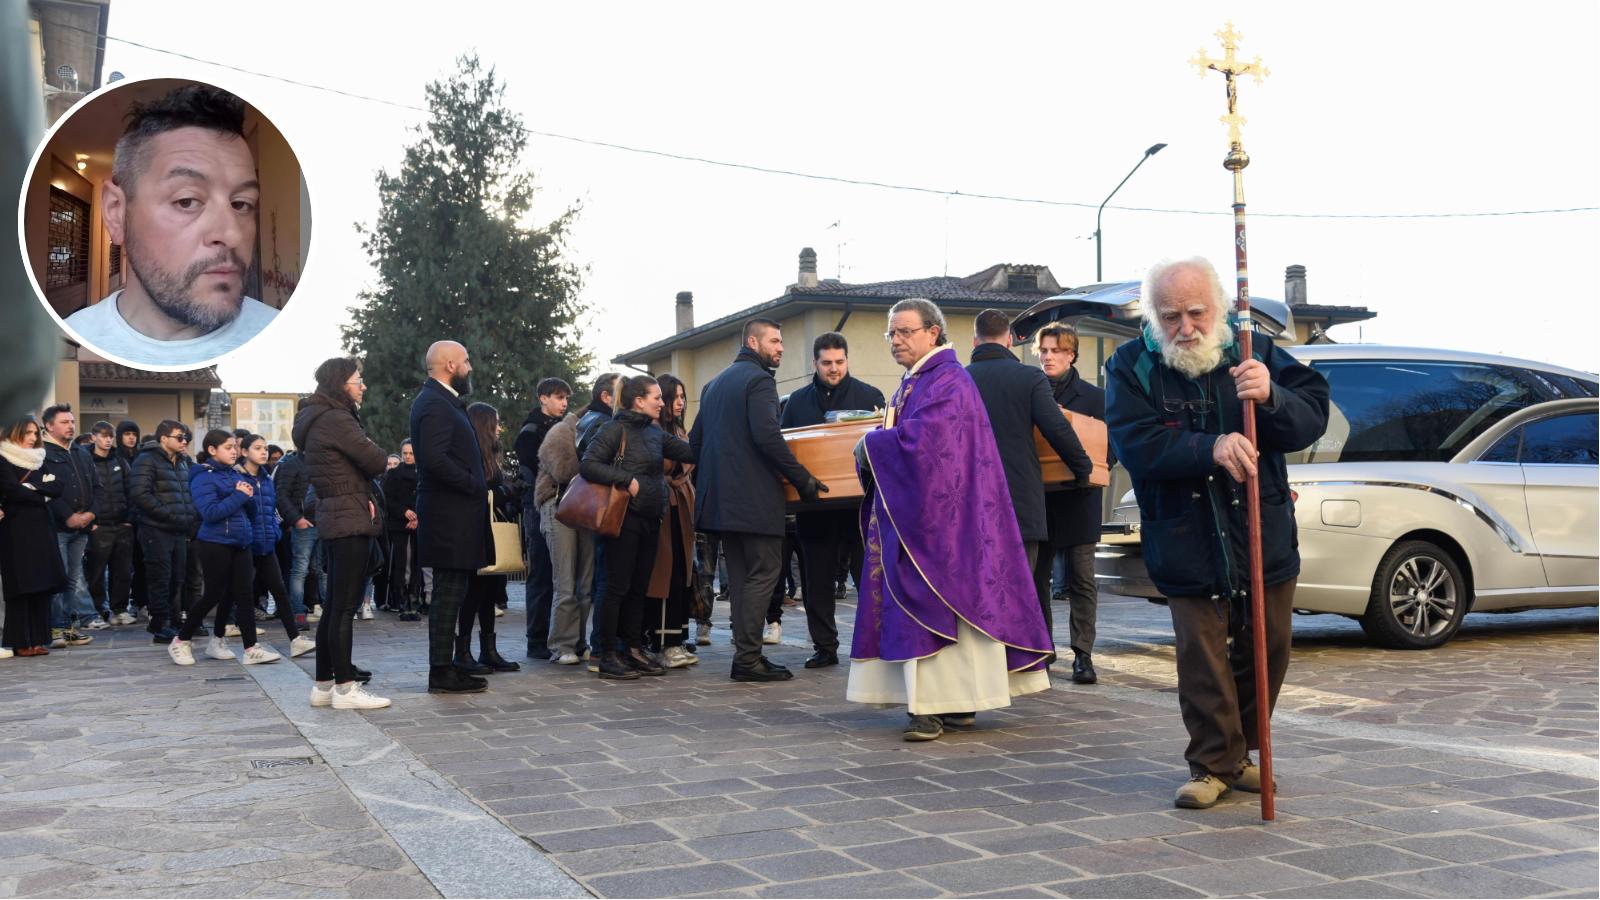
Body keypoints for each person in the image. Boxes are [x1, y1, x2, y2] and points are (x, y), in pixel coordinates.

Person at [1105, 258, 1330, 809]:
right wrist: (1210, 447)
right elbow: (1136, 444)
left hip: (1260, 528)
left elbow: (1312, 418)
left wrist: (1272, 395)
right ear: (1154, 317)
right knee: (1202, 656)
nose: (1185, 327)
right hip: (1185, 535)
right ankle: (1211, 762)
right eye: (1171, 315)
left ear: (1220, 307)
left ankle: (1241, 754)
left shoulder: (1257, 351)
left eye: (1196, 313)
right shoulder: (1131, 366)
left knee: (1267, 647)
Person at [847, 298, 1054, 742]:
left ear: (933, 332)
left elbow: (929, 445)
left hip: (945, 524)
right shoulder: (920, 380)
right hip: (922, 515)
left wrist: (872, 445)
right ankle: (955, 703)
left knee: (937, 603)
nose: (896, 341)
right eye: (891, 333)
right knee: (937, 605)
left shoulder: (949, 381)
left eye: (904, 332)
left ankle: (938, 706)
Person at [62, 85, 276, 367]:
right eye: (187, 201)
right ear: (116, 212)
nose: (232, 234)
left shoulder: (276, 333)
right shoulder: (70, 337)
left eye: (241, 204)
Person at [690, 318, 827, 682]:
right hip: (752, 499)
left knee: (739, 577)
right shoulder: (760, 380)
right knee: (764, 574)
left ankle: (745, 655)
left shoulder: (713, 384)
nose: (780, 347)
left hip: (719, 501)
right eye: (775, 341)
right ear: (753, 342)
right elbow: (768, 437)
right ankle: (748, 659)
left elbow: (695, 442)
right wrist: (804, 480)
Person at [966, 309, 1093, 667]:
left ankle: (984, 661)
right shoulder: (1027, 378)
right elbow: (1057, 429)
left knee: (982, 585)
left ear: (975, 341)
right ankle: (1023, 658)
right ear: (1010, 339)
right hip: (1020, 502)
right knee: (1022, 583)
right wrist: (1083, 468)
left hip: (972, 502)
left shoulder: (958, 380)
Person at [778, 331, 885, 668]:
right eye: (827, 363)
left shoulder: (871, 396)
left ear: (847, 360)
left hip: (859, 507)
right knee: (817, 583)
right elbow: (787, 450)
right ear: (815, 363)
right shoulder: (795, 402)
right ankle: (825, 647)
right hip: (814, 507)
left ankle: (879, 642)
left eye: (839, 362)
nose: (834, 368)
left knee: (869, 577)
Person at [581, 375, 696, 680]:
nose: (663, 402)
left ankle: (632, 649)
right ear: (638, 401)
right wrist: (626, 480)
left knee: (637, 588)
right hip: (622, 519)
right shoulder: (613, 428)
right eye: (656, 397)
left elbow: (690, 451)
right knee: (614, 587)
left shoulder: (654, 433)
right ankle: (606, 654)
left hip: (650, 518)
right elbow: (588, 464)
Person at [293, 358, 391, 710]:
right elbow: (377, 460)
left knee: (334, 605)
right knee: (344, 608)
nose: (362, 386)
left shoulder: (316, 418)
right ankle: (346, 690)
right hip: (349, 517)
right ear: (340, 384)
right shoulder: (336, 418)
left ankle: (323, 686)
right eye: (357, 380)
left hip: (336, 516)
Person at [409, 340, 491, 695]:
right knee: (447, 593)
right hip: (448, 514)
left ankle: (449, 666)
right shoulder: (433, 403)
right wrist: (473, 484)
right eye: (467, 360)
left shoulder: (443, 400)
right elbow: (434, 459)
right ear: (449, 364)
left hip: (456, 512)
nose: (470, 367)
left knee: (455, 590)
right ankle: (440, 671)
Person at [1035, 322, 1112, 685]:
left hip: (1081, 498)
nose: (1048, 357)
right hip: (1041, 499)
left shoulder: (1096, 398)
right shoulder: (1030, 390)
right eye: (1044, 351)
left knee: (1082, 580)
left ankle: (1083, 655)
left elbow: (1112, 446)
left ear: (1071, 354)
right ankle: (1042, 650)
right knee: (1038, 579)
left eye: (1056, 351)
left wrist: (1097, 468)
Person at [169, 430, 282, 666]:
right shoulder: (202, 476)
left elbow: (246, 510)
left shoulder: (233, 474)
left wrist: (248, 499)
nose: (233, 451)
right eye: (228, 447)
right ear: (212, 450)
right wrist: (240, 496)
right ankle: (181, 640)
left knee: (243, 595)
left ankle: (250, 648)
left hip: (241, 542)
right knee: (213, 595)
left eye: (234, 447)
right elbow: (210, 513)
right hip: (214, 543)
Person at [456, 402, 521, 675]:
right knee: (473, 592)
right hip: (475, 529)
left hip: (491, 527)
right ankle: (463, 652)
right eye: (496, 422)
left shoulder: (493, 453)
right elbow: (485, 489)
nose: (500, 427)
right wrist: (506, 490)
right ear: (485, 425)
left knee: (490, 590)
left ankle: (488, 650)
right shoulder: (471, 455)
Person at [239, 434, 314, 657]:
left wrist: (273, 531)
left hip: (266, 542)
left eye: (264, 448)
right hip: (244, 544)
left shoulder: (266, 479)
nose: (263, 452)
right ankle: (241, 644)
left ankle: (295, 639)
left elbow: (273, 508)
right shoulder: (236, 477)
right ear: (244, 452)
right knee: (234, 595)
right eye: (257, 448)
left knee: (279, 590)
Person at [644, 374, 699, 669]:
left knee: (681, 572)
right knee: (664, 574)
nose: (679, 402)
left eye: (682, 396)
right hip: (663, 506)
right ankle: (663, 643)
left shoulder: (679, 429)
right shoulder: (653, 430)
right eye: (673, 397)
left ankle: (676, 640)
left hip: (682, 506)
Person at [512, 377, 570, 661]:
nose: (564, 403)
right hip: (538, 505)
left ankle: (557, 636)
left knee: (560, 574)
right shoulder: (531, 430)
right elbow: (529, 471)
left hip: (560, 504)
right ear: (543, 398)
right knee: (542, 573)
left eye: (566, 398)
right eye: (558, 397)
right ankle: (537, 639)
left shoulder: (561, 427)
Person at [1, 415, 67, 657]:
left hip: (42, 527)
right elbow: (12, 490)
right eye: (27, 433)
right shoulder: (4, 458)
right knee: (22, 586)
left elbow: (58, 486)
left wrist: (33, 489)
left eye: (34, 433)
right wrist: (41, 490)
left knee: (43, 584)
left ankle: (39, 639)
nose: (32, 438)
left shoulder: (39, 459)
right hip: (16, 529)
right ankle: (20, 641)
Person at [129, 419, 198, 643]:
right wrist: (169, 515)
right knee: (160, 577)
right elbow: (140, 494)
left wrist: (188, 517)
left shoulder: (182, 461)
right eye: (179, 437)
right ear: (163, 438)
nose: (184, 441)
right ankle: (160, 624)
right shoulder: (146, 459)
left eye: (185, 437)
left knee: (177, 578)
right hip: (156, 528)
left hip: (178, 529)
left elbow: (186, 493)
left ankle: (173, 619)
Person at [41, 404, 104, 645]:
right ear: (49, 426)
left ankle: (68, 626)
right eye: (64, 422)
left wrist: (91, 514)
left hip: (82, 527)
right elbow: (46, 491)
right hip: (58, 527)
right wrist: (68, 515)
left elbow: (98, 488)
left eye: (72, 421)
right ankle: (56, 628)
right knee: (58, 576)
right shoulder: (42, 453)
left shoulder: (81, 452)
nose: (71, 426)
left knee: (73, 578)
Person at [534, 410, 591, 666]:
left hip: (589, 510)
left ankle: (580, 642)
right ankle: (561, 645)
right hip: (559, 507)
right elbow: (564, 471)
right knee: (565, 582)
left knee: (586, 584)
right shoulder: (562, 431)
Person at [577, 374, 619, 667]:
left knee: (603, 577)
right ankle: (603, 647)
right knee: (608, 579)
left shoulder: (587, 419)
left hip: (601, 508)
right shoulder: (603, 423)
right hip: (609, 506)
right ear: (606, 396)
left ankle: (601, 646)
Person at [82, 419, 136, 626]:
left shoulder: (120, 460)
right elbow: (85, 492)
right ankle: (99, 610)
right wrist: (91, 523)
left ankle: (120, 609)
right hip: (99, 526)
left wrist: (129, 520)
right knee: (96, 572)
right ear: (94, 436)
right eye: (103, 436)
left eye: (110, 436)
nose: (107, 440)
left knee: (122, 571)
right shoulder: (86, 460)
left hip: (122, 525)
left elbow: (131, 490)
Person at [273, 445, 318, 625]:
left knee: (320, 570)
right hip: (303, 524)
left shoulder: (322, 462)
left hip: (323, 523)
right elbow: (281, 495)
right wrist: (295, 519)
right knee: (300, 570)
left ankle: (318, 606)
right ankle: (298, 612)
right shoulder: (290, 464)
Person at [380, 439, 421, 620]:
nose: (408, 456)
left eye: (411, 453)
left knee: (416, 564)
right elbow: (387, 499)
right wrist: (405, 512)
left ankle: (414, 602)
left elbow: (428, 496)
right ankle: (403, 603)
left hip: (419, 525)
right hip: (399, 524)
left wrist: (417, 516)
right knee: (401, 564)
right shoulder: (394, 474)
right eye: (405, 453)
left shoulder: (425, 473)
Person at [115, 420, 149, 621]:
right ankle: (118, 606)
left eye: (134, 434)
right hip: (122, 520)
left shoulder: (142, 457)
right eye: (127, 433)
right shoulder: (115, 457)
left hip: (141, 520)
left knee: (143, 563)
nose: (131, 437)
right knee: (122, 567)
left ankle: (140, 601)